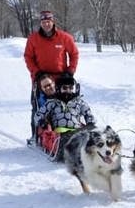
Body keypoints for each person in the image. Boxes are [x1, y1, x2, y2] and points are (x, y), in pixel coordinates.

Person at [24, 10, 79, 140]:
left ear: (53, 22)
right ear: (40, 23)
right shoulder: (33, 39)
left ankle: (70, 130)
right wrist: (36, 72)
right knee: (39, 107)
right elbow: (28, 57)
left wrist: (70, 71)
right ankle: (36, 136)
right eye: (43, 22)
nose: (46, 24)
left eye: (48, 21)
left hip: (61, 78)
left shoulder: (65, 37)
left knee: (65, 105)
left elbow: (74, 54)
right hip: (41, 79)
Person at [33, 74, 96, 159]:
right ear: (59, 89)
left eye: (70, 88)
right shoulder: (52, 102)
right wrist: (42, 122)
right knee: (67, 136)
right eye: (65, 88)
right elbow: (38, 116)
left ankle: (94, 146)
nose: (68, 90)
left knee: (92, 130)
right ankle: (70, 147)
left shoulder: (79, 102)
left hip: (78, 130)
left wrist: (90, 122)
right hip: (61, 133)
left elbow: (88, 114)